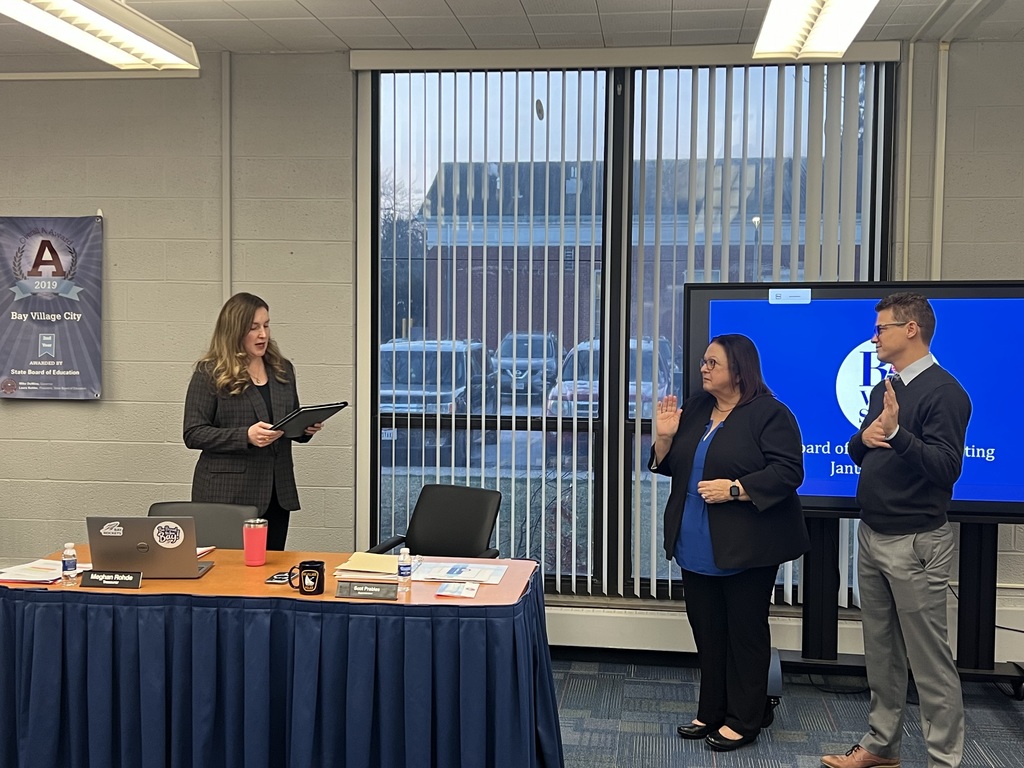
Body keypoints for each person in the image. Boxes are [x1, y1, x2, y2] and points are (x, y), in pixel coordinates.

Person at [822, 293, 971, 768]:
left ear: (911, 329)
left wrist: (898, 433)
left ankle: (944, 759)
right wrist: (862, 438)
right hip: (873, 535)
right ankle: (882, 746)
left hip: (917, 543)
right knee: (881, 652)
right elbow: (864, 450)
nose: (874, 337)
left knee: (930, 662)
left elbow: (946, 468)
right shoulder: (886, 390)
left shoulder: (946, 393)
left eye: (882, 328)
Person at [650, 333, 808, 752]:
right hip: (694, 539)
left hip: (748, 545)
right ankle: (712, 709)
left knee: (744, 633)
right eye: (703, 362)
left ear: (738, 371)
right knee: (708, 630)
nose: (703, 368)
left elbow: (789, 473)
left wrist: (736, 489)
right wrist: (663, 438)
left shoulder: (770, 414)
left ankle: (745, 717)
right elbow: (673, 468)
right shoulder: (699, 407)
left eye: (712, 363)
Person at [183, 292, 322, 550]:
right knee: (229, 576)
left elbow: (287, 421)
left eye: (266, 326)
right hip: (227, 495)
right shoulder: (209, 373)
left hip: (277, 493)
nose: (263, 335)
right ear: (234, 331)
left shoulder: (282, 370)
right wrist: (245, 436)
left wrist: (304, 428)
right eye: (254, 327)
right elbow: (193, 433)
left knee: (269, 570)